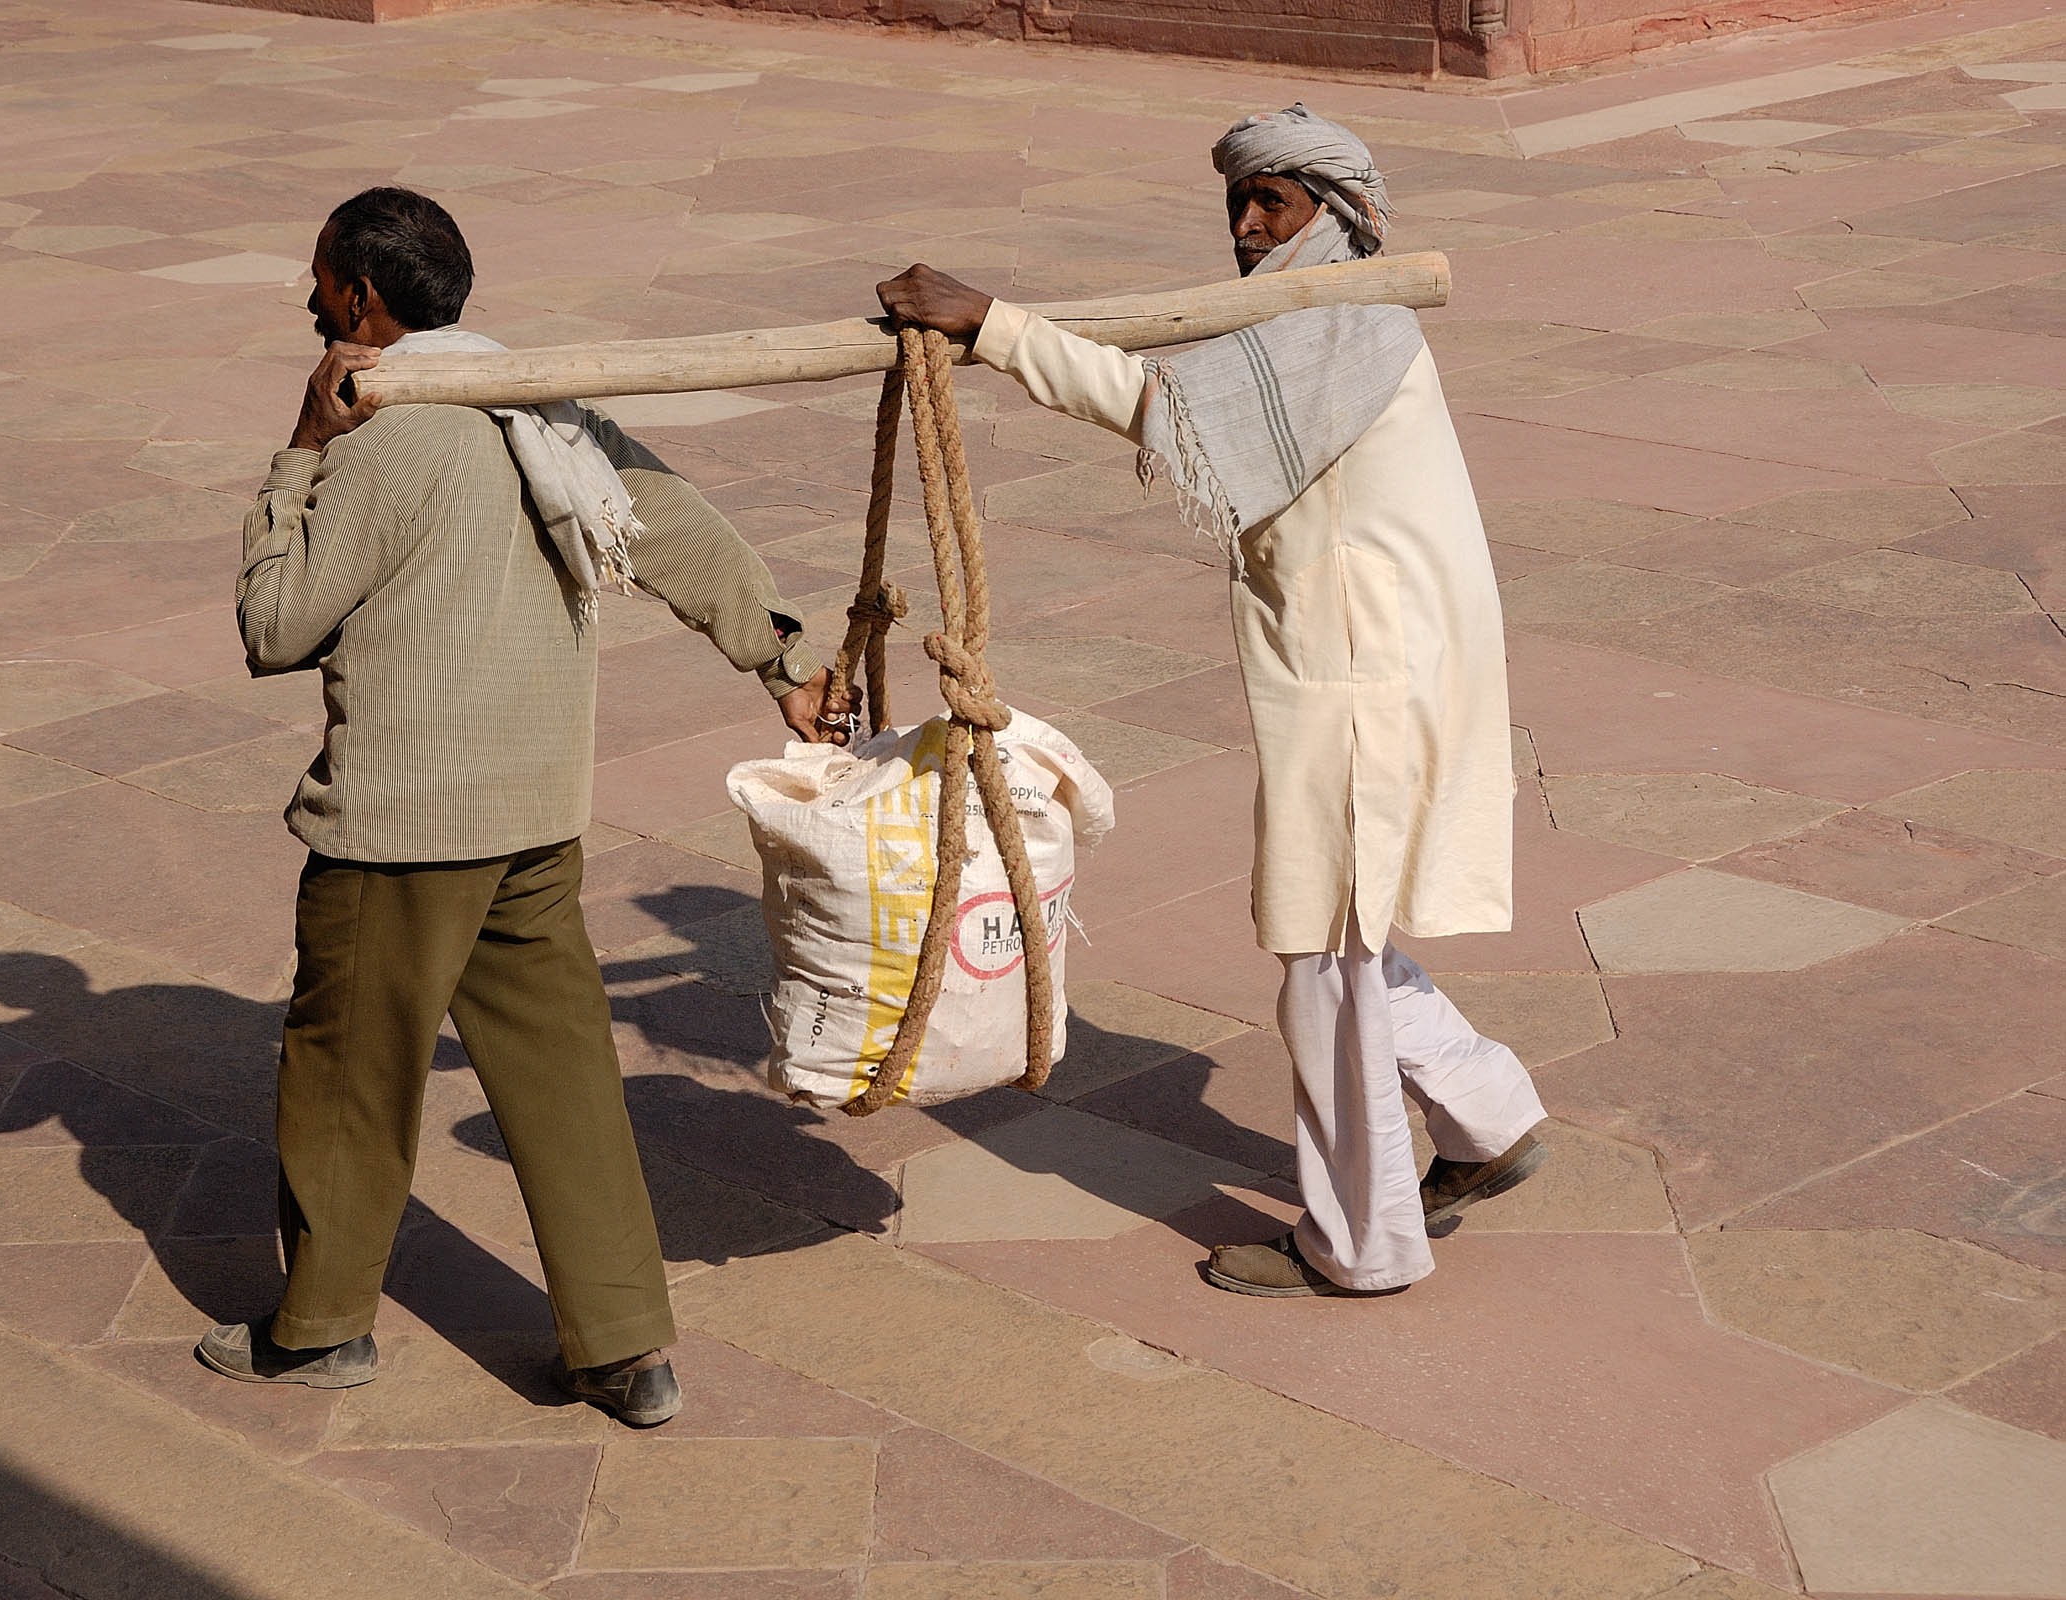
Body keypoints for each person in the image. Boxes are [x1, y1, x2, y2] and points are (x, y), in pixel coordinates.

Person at [876, 106, 1547, 1298]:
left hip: (1364, 684)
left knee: (1321, 966)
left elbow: (1167, 414)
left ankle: (1363, 1244)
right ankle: (1487, 1114)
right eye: (1237, 201)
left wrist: (993, 324)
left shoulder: (1340, 320)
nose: (1245, 224)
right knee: (1341, 935)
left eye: (1270, 202)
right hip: (1371, 666)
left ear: (1333, 213)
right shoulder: (1306, 314)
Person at [199, 186, 844, 1421]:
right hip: (534, 819)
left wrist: (300, 451)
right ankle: (624, 1349)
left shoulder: (384, 436)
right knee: (564, 1081)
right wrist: (787, 663)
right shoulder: (545, 406)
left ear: (359, 298)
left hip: (403, 830)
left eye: (320, 282)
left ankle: (318, 1329)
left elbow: (273, 625)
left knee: (346, 1077)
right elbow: (678, 529)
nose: (312, 301)